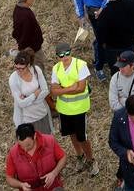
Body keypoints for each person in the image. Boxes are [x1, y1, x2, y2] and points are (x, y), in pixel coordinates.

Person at [50, 42, 99, 177]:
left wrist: (62, 90)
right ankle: (80, 156)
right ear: (57, 57)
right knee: (72, 134)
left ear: (70, 52)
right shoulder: (56, 68)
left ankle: (91, 160)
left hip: (79, 109)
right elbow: (53, 91)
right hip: (64, 110)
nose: (65, 57)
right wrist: (71, 88)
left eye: (67, 53)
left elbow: (81, 88)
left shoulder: (80, 65)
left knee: (82, 137)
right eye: (61, 55)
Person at [72, 0, 112, 81]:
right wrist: (81, 16)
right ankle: (99, 66)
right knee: (100, 38)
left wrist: (104, 6)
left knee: (110, 35)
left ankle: (106, 58)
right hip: (93, 10)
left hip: (107, 4)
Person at [95, 0, 134, 74]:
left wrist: (103, 43)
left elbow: (100, 32)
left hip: (113, 47)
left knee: (116, 69)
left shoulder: (106, 12)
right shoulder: (133, 2)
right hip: (130, 42)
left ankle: (119, 84)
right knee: (130, 63)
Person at [5, 123, 66, 190]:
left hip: (52, 187)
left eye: (28, 145)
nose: (25, 149)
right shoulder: (13, 153)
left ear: (34, 136)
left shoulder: (49, 141)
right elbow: (9, 178)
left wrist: (54, 173)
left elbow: (63, 157)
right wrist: (21, 185)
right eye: (21, 146)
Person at [9, 48, 53, 135]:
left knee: (47, 142)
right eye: (16, 68)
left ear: (28, 65)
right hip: (27, 119)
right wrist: (34, 94)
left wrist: (27, 99)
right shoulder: (13, 79)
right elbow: (21, 104)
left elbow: (45, 91)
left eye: (22, 68)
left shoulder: (36, 70)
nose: (19, 71)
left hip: (42, 114)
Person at [12, 0, 46, 71]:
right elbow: (25, 34)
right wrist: (25, 49)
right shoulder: (26, 14)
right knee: (38, 71)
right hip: (32, 50)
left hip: (28, 49)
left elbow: (16, 31)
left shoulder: (17, 9)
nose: (34, 0)